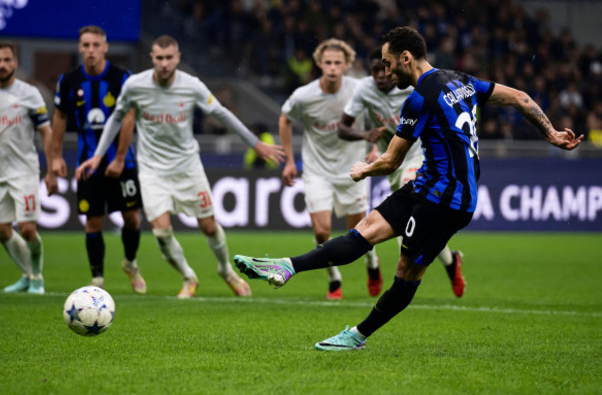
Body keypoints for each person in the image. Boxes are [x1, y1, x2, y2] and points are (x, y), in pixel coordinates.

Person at [234, 26, 582, 351]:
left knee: (406, 271)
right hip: (426, 183)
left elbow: (390, 162)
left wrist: (362, 170)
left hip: (448, 200)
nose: (385, 72)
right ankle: (286, 266)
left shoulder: (419, 100)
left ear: (406, 58)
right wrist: (551, 134)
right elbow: (521, 98)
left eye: (388, 64)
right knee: (365, 230)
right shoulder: (460, 80)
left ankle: (357, 335)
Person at [76, 35, 285, 298]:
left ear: (178, 57)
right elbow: (117, 117)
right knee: (162, 232)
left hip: (188, 168)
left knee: (209, 227)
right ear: (152, 58)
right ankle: (188, 276)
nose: (164, 63)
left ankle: (225, 270)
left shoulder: (192, 86)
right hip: (152, 170)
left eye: (169, 58)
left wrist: (254, 143)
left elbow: (221, 113)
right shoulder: (135, 86)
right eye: (159, 58)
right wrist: (98, 155)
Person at [338, 49, 466, 298]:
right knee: (424, 221)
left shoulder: (410, 86)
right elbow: (344, 127)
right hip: (391, 160)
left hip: (420, 155)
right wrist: (369, 140)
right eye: (375, 70)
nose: (381, 75)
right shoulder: (364, 90)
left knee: (412, 218)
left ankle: (402, 282)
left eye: (385, 69)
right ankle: (452, 264)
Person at [279, 38, 382, 300]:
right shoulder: (304, 95)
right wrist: (290, 161)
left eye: (338, 63)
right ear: (319, 64)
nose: (333, 68)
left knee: (359, 232)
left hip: (353, 169)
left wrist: (376, 148)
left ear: (347, 64)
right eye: (328, 63)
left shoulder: (359, 89)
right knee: (321, 231)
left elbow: (380, 113)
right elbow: (285, 118)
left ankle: (372, 265)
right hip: (317, 171)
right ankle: (334, 280)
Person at [48, 25, 146, 294]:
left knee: (132, 218)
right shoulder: (68, 81)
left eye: (95, 45)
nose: (90, 50)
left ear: (105, 47)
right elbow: (59, 117)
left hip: (122, 161)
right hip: (87, 162)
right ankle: (97, 280)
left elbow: (129, 117)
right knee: (93, 221)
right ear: (80, 48)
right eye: (86, 45)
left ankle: (130, 262)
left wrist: (120, 158)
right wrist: (55, 156)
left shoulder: (122, 78)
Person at [0, 42, 57, 294]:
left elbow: (45, 131)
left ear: (15, 63)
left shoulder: (30, 93)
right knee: (1, 231)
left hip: (24, 170)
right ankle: (26, 274)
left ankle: (37, 278)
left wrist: (51, 169)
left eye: (6, 60)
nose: (1, 65)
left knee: (27, 229)